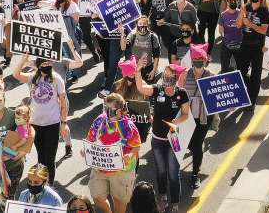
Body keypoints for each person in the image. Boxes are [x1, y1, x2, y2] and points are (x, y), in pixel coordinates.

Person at [133, 64, 190, 213]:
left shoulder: (182, 94)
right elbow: (140, 88)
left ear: (175, 78)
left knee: (173, 172)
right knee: (161, 171)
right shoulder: (157, 90)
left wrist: (175, 123)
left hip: (174, 140)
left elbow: (186, 114)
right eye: (164, 75)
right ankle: (163, 196)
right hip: (157, 139)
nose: (166, 78)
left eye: (169, 75)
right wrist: (138, 71)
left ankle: (175, 202)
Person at [11, 58, 68, 180]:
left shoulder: (57, 79)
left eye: (49, 62)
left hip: (52, 124)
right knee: (41, 157)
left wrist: (64, 123)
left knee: (50, 158)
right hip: (35, 124)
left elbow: (63, 103)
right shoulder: (32, 77)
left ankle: (50, 184)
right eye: (43, 63)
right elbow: (16, 74)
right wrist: (24, 58)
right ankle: (40, 183)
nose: (47, 65)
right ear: (38, 64)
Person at [84, 92, 141, 213]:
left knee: (120, 202)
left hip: (122, 171)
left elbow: (136, 147)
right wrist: (85, 150)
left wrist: (129, 155)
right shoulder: (99, 120)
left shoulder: (128, 126)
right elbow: (89, 138)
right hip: (100, 168)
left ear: (120, 110)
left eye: (110, 110)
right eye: (105, 108)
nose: (106, 112)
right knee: (97, 196)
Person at [182, 45, 215, 189]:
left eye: (200, 58)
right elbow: (179, 93)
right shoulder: (185, 74)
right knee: (189, 143)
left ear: (206, 59)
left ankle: (195, 174)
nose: (198, 61)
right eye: (195, 58)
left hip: (204, 117)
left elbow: (218, 98)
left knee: (197, 144)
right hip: (187, 116)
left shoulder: (211, 76)